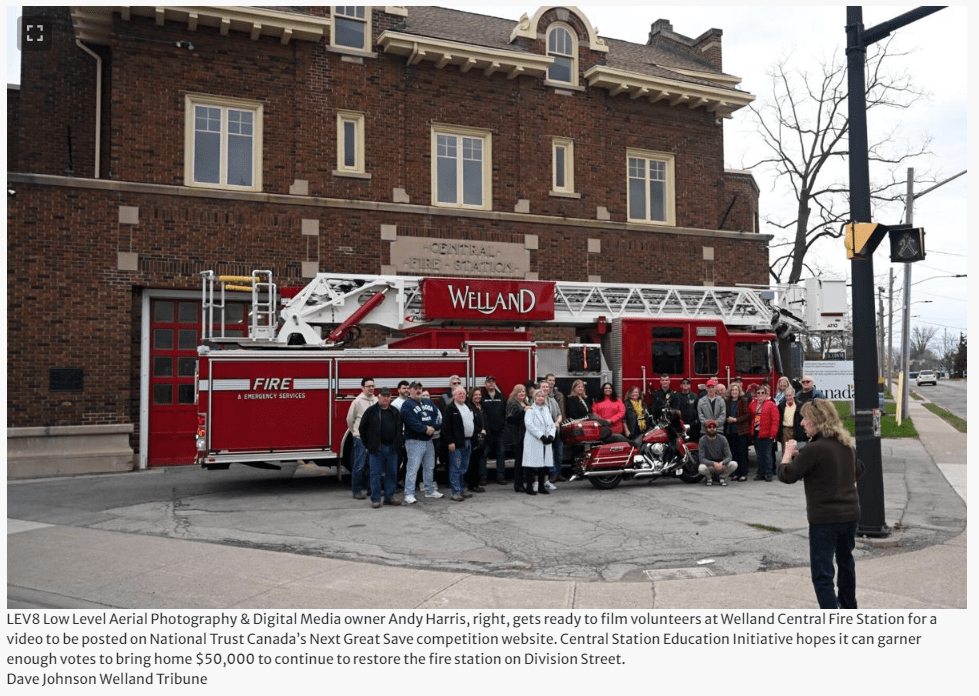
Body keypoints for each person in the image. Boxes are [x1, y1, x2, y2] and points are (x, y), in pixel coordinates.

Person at [778, 400, 865, 609]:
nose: (801, 423)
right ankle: (849, 607)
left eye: (805, 418)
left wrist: (787, 455)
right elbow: (859, 470)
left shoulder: (814, 449)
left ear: (817, 421)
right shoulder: (845, 444)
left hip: (825, 519)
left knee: (822, 573)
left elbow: (787, 475)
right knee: (845, 563)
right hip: (850, 514)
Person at [358, 388, 403, 508]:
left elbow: (399, 429)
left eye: (388, 396)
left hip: (392, 449)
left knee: (392, 473)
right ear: (378, 397)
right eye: (383, 396)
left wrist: (398, 444)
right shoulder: (371, 411)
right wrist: (368, 445)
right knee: (375, 474)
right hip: (377, 449)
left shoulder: (395, 412)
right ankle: (376, 499)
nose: (386, 398)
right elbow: (362, 429)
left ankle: (389, 497)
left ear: (391, 398)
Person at [400, 382, 442, 504]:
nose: (418, 391)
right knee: (413, 468)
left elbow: (436, 416)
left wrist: (433, 427)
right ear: (410, 391)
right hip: (414, 441)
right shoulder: (407, 405)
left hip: (429, 440)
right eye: (415, 389)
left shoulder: (428, 402)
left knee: (429, 467)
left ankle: (429, 491)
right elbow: (410, 421)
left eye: (420, 388)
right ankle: (409, 494)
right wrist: (425, 429)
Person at [441, 385, 475, 502]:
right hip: (456, 443)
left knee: (464, 467)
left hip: (468, 441)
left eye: (464, 394)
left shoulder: (467, 406)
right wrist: (450, 441)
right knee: (456, 467)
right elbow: (445, 428)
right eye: (459, 393)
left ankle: (461, 490)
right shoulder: (450, 409)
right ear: (454, 395)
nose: (462, 395)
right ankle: (455, 492)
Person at [345, 376, 377, 500]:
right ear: (362, 388)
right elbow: (349, 419)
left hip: (373, 439)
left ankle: (371, 490)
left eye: (372, 386)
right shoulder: (357, 401)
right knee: (360, 465)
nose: (371, 388)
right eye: (368, 386)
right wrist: (354, 432)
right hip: (360, 438)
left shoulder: (375, 400)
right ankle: (357, 490)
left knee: (372, 465)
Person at [522, 387, 557, 495]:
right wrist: (541, 436)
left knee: (544, 465)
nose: (541, 398)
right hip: (534, 441)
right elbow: (529, 425)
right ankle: (529, 487)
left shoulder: (546, 409)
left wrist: (551, 436)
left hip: (545, 442)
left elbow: (552, 424)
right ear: (534, 397)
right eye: (539, 396)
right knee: (531, 465)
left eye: (542, 396)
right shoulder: (530, 410)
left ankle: (541, 486)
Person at [480, 375, 507, 485]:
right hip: (487, 432)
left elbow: (506, 412)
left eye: (492, 382)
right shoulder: (482, 397)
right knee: (484, 455)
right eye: (489, 382)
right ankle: (483, 477)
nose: (491, 384)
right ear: (485, 384)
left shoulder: (501, 397)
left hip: (499, 432)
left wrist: (504, 426)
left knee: (501, 454)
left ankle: (500, 476)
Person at [504, 384, 530, 491]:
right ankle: (517, 485)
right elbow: (510, 420)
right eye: (519, 392)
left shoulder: (525, 403)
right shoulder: (512, 403)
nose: (522, 394)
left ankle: (522, 482)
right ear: (515, 393)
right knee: (519, 462)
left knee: (524, 461)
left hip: (526, 436)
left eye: (523, 392)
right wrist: (523, 412)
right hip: (517, 437)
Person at [724, 383, 752, 482]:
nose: (734, 392)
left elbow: (747, 415)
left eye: (736, 390)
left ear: (739, 391)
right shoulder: (727, 401)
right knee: (733, 453)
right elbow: (725, 413)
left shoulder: (743, 401)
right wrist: (727, 419)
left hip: (741, 431)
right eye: (733, 390)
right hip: (730, 431)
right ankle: (735, 473)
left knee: (742, 453)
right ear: (730, 392)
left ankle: (743, 473)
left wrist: (735, 420)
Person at [752, 385, 779, 481]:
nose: (760, 395)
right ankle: (760, 473)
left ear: (766, 394)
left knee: (767, 454)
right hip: (756, 432)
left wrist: (773, 434)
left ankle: (768, 474)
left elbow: (775, 420)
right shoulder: (753, 404)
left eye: (762, 393)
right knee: (759, 455)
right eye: (758, 393)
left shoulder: (771, 404)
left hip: (767, 433)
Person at [697, 420, 737, 486]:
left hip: (721, 464)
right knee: (701, 468)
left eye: (714, 427)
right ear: (706, 429)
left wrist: (722, 462)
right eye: (709, 427)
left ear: (716, 428)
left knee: (734, 464)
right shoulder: (702, 440)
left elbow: (729, 456)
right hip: (709, 465)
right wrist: (713, 463)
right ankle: (709, 478)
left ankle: (722, 477)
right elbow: (701, 458)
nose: (712, 429)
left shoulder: (723, 439)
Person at [538, 380, 561, 489]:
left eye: (547, 387)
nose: (546, 388)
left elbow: (559, 414)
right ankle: (541, 480)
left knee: (553, 454)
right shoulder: (537, 401)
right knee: (543, 456)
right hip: (543, 434)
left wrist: (557, 422)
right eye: (543, 387)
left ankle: (551, 477)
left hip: (554, 432)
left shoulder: (552, 400)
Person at [545, 374, 567, 483]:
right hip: (547, 430)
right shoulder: (541, 398)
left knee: (559, 452)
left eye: (553, 380)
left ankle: (559, 473)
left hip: (558, 428)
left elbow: (560, 412)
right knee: (550, 452)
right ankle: (552, 473)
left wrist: (560, 422)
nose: (551, 382)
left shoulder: (556, 397)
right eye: (549, 380)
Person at [465, 387, 487, 494]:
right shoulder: (469, 407)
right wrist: (480, 430)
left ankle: (475, 484)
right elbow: (469, 423)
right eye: (475, 395)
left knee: (477, 462)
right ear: (471, 396)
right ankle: (472, 485)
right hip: (474, 438)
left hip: (481, 438)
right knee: (473, 463)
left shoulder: (480, 406)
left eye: (479, 394)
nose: (478, 396)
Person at [778, 386, 805, 456]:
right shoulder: (781, 406)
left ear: (793, 395)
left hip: (795, 429)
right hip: (785, 430)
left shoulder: (799, 405)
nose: (788, 397)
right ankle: (786, 465)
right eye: (786, 395)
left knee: (795, 450)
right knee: (785, 450)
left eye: (790, 395)